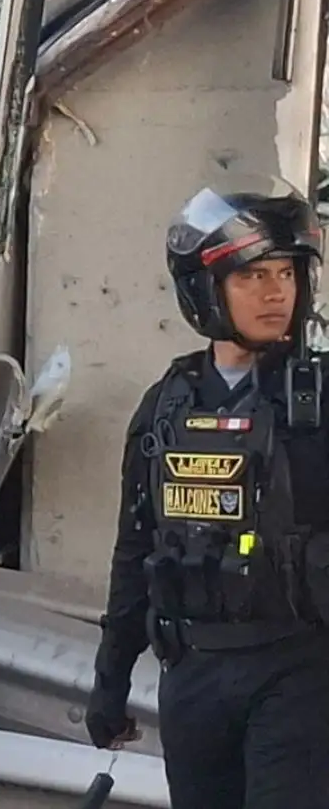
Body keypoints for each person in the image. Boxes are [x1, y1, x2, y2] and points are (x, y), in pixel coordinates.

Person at [86, 179, 329, 809]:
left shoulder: (320, 401)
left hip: (299, 674)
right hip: (193, 674)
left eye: (285, 273)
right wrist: (110, 681)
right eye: (252, 277)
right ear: (206, 290)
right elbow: (135, 546)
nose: (276, 292)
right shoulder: (167, 404)